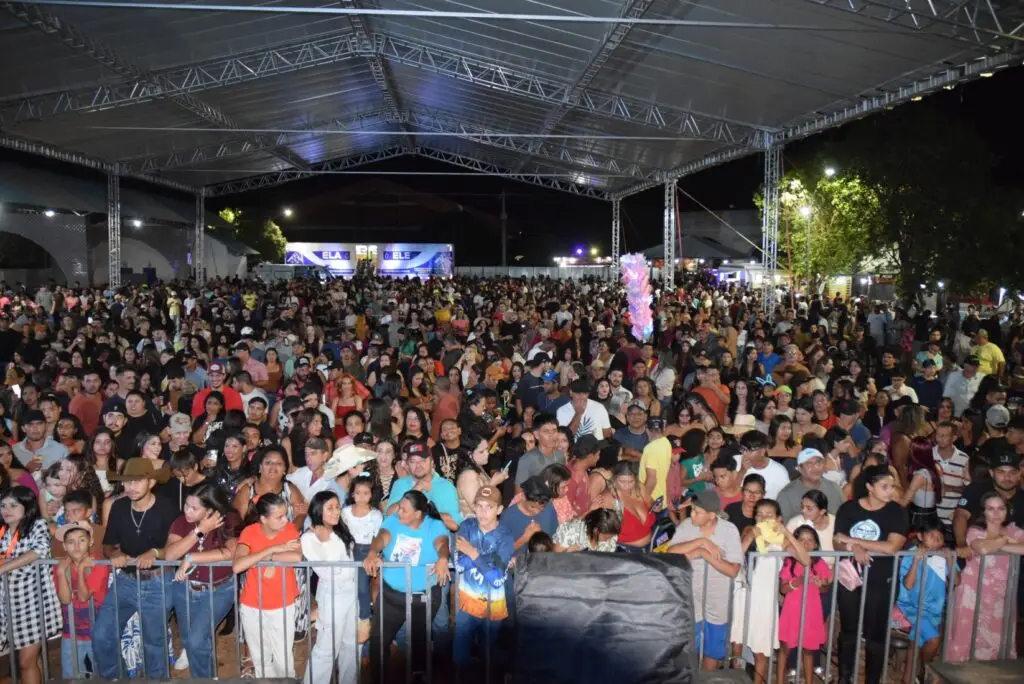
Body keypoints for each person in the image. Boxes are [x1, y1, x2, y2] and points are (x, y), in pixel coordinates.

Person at [91, 458, 178, 680]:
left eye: (137, 481)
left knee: (154, 642)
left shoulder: (167, 507)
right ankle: (116, 678)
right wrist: (114, 554)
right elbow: (107, 544)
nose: (131, 487)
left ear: (151, 482)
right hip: (126, 580)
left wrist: (155, 553)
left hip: (158, 581)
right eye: (127, 482)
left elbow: (177, 546)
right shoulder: (119, 506)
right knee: (102, 635)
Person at [364, 490, 451, 684]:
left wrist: (443, 558)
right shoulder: (393, 521)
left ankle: (418, 678)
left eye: (404, 510)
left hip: (422, 597)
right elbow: (382, 537)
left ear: (418, 514)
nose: (398, 512)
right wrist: (372, 552)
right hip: (391, 596)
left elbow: (442, 543)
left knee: (419, 642)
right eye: (399, 508)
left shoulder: (434, 525)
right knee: (378, 640)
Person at [833, 465, 908, 684]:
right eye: (885, 486)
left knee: (876, 634)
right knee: (849, 630)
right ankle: (845, 678)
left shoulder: (897, 512)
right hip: (850, 579)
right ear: (869, 487)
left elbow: (892, 546)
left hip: (881, 580)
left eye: (892, 486)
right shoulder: (849, 509)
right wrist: (852, 548)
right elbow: (837, 541)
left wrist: (854, 541)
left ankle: (872, 680)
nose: (891, 491)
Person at [666, 490, 742, 670]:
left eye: (697, 511)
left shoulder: (729, 530)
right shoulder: (687, 525)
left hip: (717, 600)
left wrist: (705, 555)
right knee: (689, 649)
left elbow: (732, 570)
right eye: (692, 509)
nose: (691, 514)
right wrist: (701, 543)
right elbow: (671, 553)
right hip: (691, 598)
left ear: (711, 515)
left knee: (712, 650)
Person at [947, 491, 1024, 662]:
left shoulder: (1014, 530)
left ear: (1007, 510)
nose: (996, 513)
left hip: (1001, 594)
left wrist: (998, 545)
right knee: (966, 636)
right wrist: (1004, 541)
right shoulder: (975, 531)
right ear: (984, 512)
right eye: (991, 509)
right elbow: (981, 548)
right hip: (973, 592)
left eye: (1001, 508)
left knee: (997, 638)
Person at [232, 492, 303, 678]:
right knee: (260, 660)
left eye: (285, 514)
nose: (285, 520)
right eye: (279, 517)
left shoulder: (289, 530)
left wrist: (266, 557)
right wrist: (271, 549)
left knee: (284, 660)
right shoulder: (250, 531)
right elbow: (238, 565)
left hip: (282, 603)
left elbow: (295, 557)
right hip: (252, 604)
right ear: (263, 519)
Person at [0, 486, 63, 684]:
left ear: (27, 507)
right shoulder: (2, 530)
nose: (6, 510)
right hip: (7, 605)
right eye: (3, 505)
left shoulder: (38, 525)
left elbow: (39, 551)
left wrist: (3, 567)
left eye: (13, 505)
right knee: (31, 661)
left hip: (33, 603)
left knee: (26, 662)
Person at [453, 485, 515, 678]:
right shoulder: (467, 526)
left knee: (488, 656)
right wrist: (489, 561)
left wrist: (473, 553)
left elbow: (496, 579)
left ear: (499, 509)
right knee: (459, 656)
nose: (482, 512)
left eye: (489, 507)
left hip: (492, 606)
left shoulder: (505, 536)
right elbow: (459, 563)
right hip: (467, 602)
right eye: (479, 506)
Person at [301, 491, 359, 684]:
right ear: (319, 510)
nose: (336, 512)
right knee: (327, 647)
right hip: (333, 594)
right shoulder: (310, 537)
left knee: (351, 644)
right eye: (330, 508)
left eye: (337, 507)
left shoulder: (340, 530)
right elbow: (328, 571)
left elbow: (350, 560)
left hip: (351, 591)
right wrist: (325, 541)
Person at [895, 519, 952, 684]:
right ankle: (925, 669)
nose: (936, 540)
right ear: (920, 536)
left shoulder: (943, 556)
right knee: (934, 640)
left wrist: (950, 560)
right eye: (931, 536)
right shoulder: (911, 554)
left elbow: (956, 581)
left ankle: (908, 678)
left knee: (916, 643)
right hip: (912, 608)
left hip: (934, 609)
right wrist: (916, 561)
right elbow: (908, 584)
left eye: (939, 537)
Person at [53, 521, 110, 679]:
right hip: (71, 632)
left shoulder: (98, 563)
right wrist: (60, 573)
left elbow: (84, 596)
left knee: (101, 676)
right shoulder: (61, 566)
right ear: (64, 546)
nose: (76, 546)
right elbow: (65, 599)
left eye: (82, 540)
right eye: (71, 542)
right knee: (72, 676)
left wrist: (80, 570)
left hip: (97, 632)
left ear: (90, 542)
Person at [776, 525, 831, 684]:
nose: (806, 544)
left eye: (810, 540)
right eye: (802, 540)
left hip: (811, 611)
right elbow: (783, 589)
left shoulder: (820, 563)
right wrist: (797, 581)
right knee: (785, 648)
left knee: (808, 650)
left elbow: (825, 588)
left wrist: (821, 585)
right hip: (792, 610)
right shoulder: (790, 562)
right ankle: (779, 680)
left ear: (816, 544)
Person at [341, 476, 382, 638]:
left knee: (362, 587)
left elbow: (377, 538)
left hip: (366, 551)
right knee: (346, 585)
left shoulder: (376, 515)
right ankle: (347, 619)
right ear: (352, 494)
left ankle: (364, 620)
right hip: (347, 549)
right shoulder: (345, 512)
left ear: (371, 494)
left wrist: (374, 554)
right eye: (358, 493)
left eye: (366, 493)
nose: (362, 497)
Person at [776, 447, 843, 520]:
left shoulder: (834, 488)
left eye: (818, 463)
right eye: (809, 464)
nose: (815, 467)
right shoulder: (786, 495)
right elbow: (780, 524)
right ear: (800, 469)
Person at [734, 429, 790, 500]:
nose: (744, 454)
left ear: (762, 452)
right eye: (743, 449)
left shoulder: (780, 472)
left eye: (749, 450)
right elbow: (729, 491)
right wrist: (742, 471)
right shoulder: (735, 461)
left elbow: (786, 498)